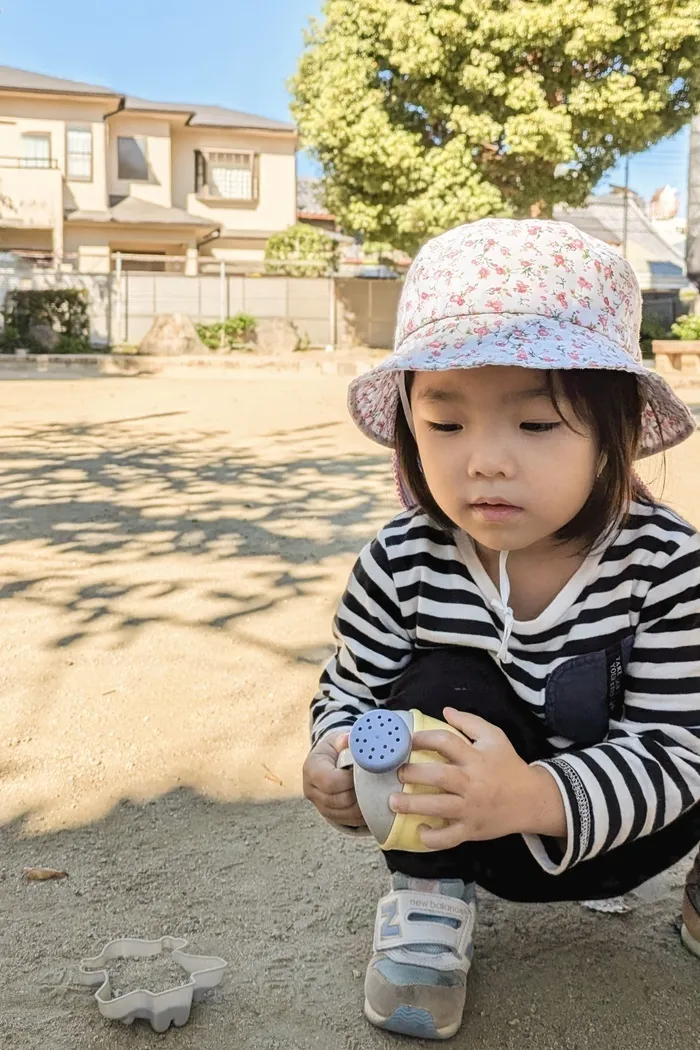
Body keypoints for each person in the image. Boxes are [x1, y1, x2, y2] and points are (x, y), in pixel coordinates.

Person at [302, 219, 700, 1041]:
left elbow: (678, 749)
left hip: (635, 826)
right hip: (456, 824)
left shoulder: (669, 567)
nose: (483, 460)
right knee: (430, 683)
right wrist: (338, 750)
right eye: (446, 425)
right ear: (410, 424)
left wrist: (530, 794)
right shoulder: (404, 560)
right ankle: (428, 902)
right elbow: (352, 684)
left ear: (616, 432)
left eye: (536, 424)